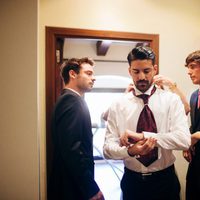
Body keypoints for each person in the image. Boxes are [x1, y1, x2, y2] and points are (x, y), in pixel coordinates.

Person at [103, 46, 191, 200]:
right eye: (136, 72)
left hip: (165, 181)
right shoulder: (118, 104)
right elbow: (107, 149)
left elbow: (184, 140)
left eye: (147, 71)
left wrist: (143, 135)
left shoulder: (171, 100)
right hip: (132, 182)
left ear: (155, 69)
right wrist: (130, 151)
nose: (142, 77)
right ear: (129, 71)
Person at [48, 57, 104, 200]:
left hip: (71, 182)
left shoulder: (71, 99)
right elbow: (72, 150)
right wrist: (90, 188)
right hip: (71, 186)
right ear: (73, 74)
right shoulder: (71, 101)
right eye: (89, 73)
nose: (94, 78)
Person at [182, 50, 200, 200]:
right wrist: (187, 143)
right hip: (195, 161)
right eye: (188, 67)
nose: (189, 72)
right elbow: (194, 125)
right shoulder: (195, 95)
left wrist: (197, 135)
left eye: (193, 66)